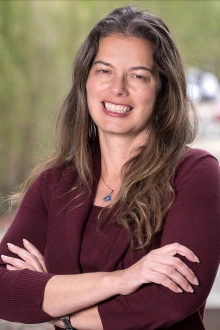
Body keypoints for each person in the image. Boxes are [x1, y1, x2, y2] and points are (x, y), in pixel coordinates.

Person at [0, 5, 220, 330]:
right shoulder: (54, 182)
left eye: (138, 75)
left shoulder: (196, 175)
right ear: (85, 81)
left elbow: (169, 302)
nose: (117, 88)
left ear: (162, 89)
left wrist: (58, 307)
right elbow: (4, 290)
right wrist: (123, 280)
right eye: (104, 70)